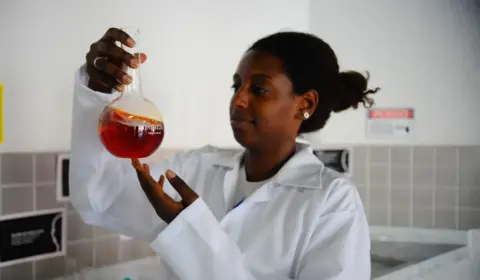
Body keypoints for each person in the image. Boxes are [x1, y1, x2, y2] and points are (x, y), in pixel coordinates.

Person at [70, 27, 380, 280]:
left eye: (259, 90)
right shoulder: (194, 168)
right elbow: (101, 199)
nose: (238, 101)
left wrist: (190, 230)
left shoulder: (332, 201)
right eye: (236, 86)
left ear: (305, 104)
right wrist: (99, 91)